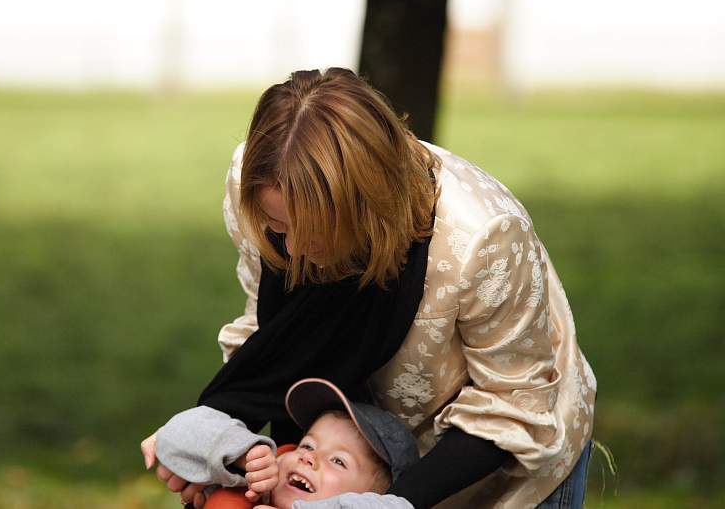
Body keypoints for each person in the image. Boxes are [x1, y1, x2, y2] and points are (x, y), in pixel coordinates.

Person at [141, 68, 597, 508]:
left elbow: (510, 404)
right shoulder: (255, 182)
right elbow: (275, 336)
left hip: (494, 466)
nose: (294, 248)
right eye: (279, 227)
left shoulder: (483, 237)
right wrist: (219, 442)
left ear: (368, 209)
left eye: (314, 230)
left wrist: (391, 504)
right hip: (341, 466)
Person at [155, 378, 418, 509]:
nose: (308, 458)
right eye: (307, 445)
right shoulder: (248, 486)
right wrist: (245, 453)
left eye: (338, 461)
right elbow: (178, 431)